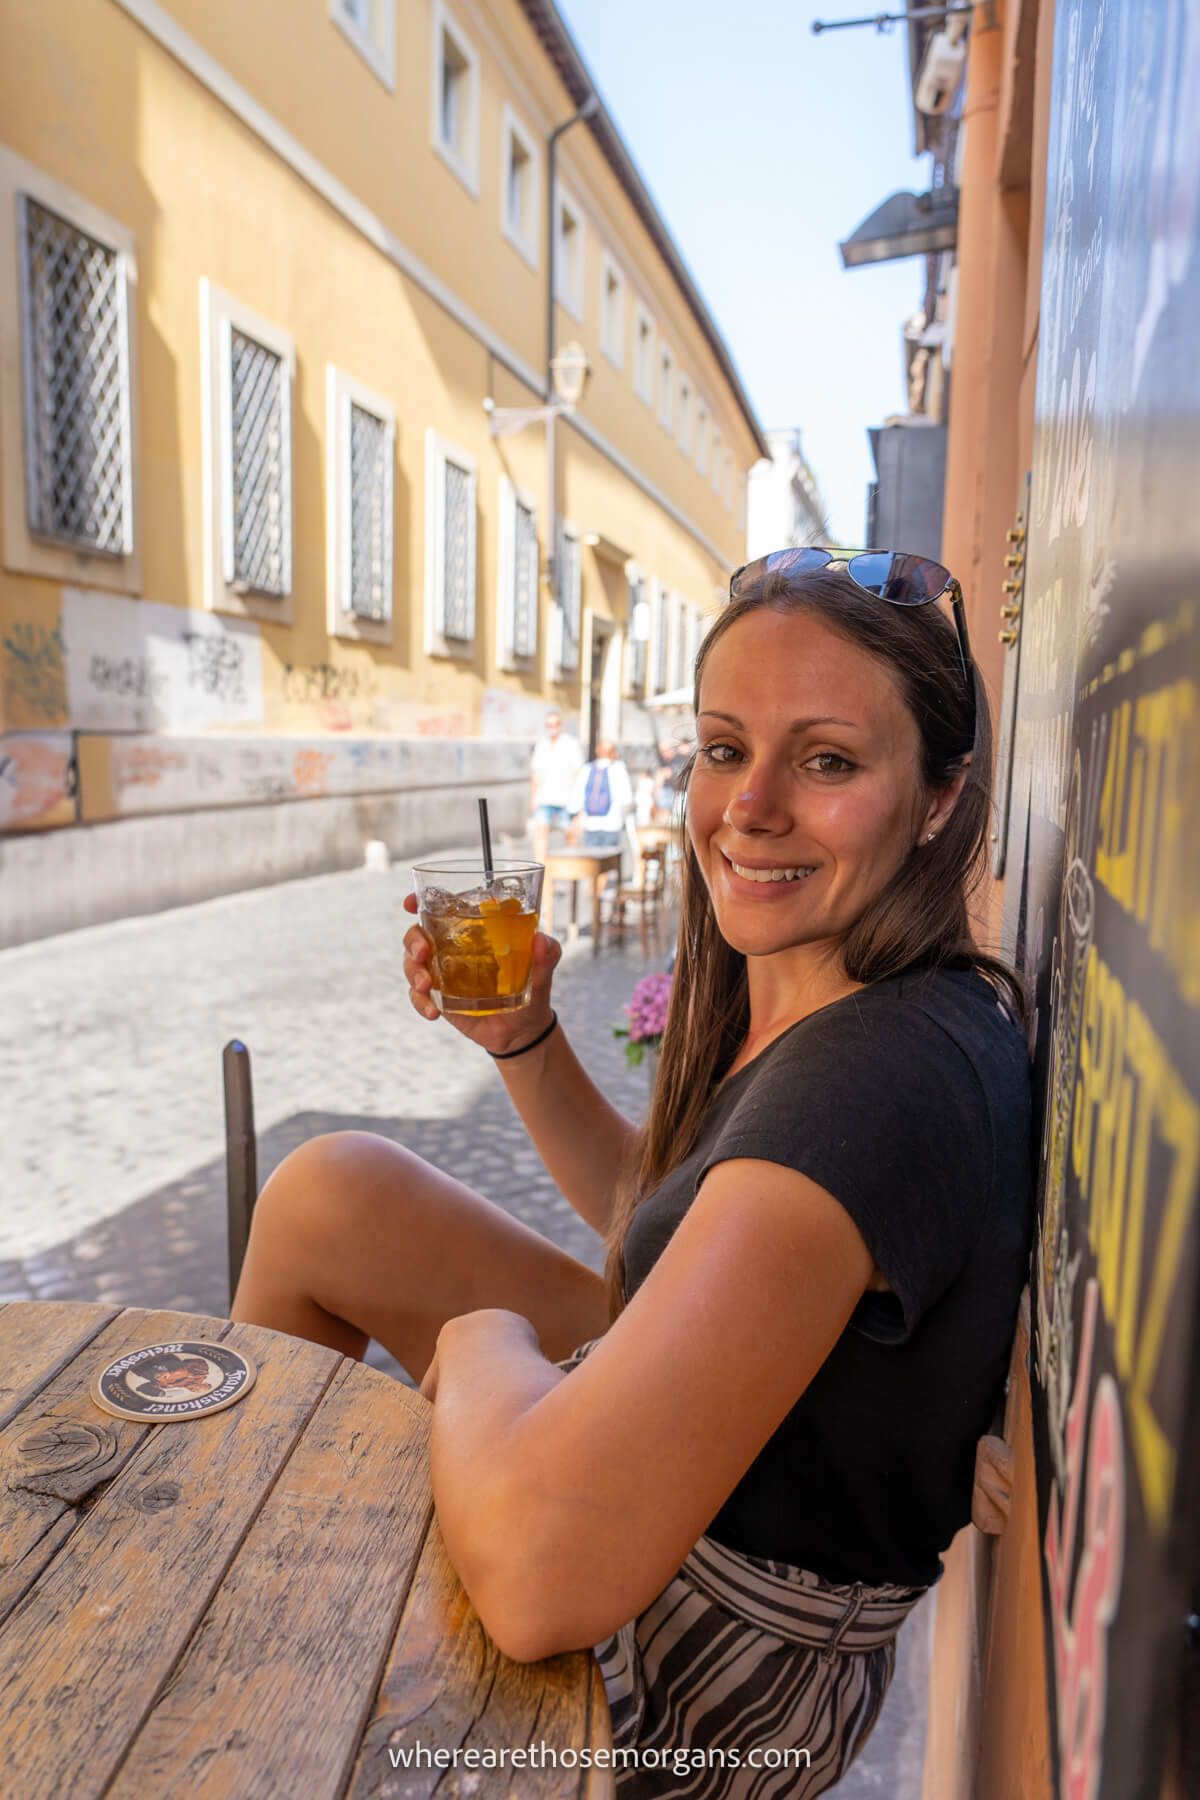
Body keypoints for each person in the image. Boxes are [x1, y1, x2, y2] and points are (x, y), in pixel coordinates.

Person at [231, 548, 1032, 1797]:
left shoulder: (881, 1074)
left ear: (939, 799)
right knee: (333, 1193)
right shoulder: (822, 1000)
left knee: (471, 1421)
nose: (750, 805)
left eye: (827, 761)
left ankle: (248, 1684)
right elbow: (660, 1220)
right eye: (724, 748)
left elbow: (548, 1578)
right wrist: (527, 1042)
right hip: (721, 1478)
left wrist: (482, 1354)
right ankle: (243, 1584)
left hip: (709, 1659)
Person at [529, 710, 584, 860]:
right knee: (540, 833)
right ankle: (540, 867)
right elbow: (535, 773)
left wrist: (577, 801)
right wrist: (533, 797)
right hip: (544, 797)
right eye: (549, 724)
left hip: (566, 798)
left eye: (555, 724)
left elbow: (578, 773)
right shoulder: (542, 744)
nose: (552, 727)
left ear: (561, 725)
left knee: (570, 835)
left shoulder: (571, 744)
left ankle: (572, 868)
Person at [567, 737, 633, 851]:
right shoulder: (618, 769)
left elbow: (577, 796)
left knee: (593, 863)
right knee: (609, 862)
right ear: (613, 752)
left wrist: (575, 815)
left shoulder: (587, 768)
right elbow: (627, 799)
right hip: (612, 824)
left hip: (590, 824)